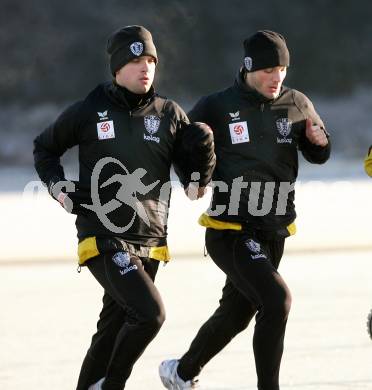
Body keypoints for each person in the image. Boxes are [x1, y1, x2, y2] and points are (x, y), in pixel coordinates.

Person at [33, 25, 215, 390]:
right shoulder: (90, 109)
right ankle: (112, 384)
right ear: (117, 69)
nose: (145, 67)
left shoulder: (170, 115)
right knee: (150, 314)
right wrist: (61, 190)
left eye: (149, 60)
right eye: (135, 61)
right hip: (102, 236)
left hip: (149, 240)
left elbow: (195, 189)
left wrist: (205, 154)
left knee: (112, 327)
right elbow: (44, 148)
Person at [159, 30, 330, 390]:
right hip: (231, 229)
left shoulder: (296, 102)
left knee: (237, 313)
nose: (277, 77)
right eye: (269, 69)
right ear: (249, 68)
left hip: (275, 228)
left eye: (282, 69)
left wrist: (320, 143)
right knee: (277, 300)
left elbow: (318, 150)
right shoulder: (217, 106)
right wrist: (195, 177)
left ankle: (181, 372)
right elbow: (181, 148)